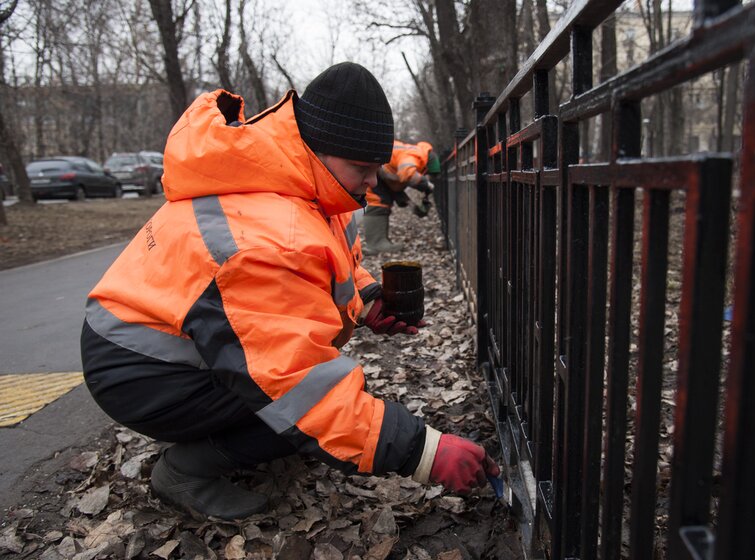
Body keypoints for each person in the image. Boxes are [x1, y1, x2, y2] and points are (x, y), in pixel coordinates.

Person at [79, 62, 498, 520]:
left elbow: (325, 266)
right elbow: (295, 383)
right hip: (140, 373)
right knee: (298, 409)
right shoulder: (263, 236)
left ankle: (236, 436)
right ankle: (184, 470)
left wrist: (367, 302)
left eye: (377, 167)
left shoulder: (299, 184)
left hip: (157, 351)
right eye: (362, 167)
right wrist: (425, 451)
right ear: (316, 150)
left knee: (313, 402)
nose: (374, 181)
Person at [363, 139, 441, 255]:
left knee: (384, 201)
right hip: (373, 168)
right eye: (429, 176)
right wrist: (426, 185)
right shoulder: (413, 155)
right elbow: (407, 174)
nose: (428, 178)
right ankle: (375, 245)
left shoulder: (413, 155)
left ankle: (381, 241)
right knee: (378, 202)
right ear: (427, 168)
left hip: (379, 171)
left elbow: (394, 187)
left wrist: (411, 205)